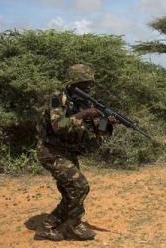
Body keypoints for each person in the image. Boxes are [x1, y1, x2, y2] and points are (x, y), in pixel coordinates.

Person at [35, 64, 114, 241]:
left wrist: (106, 123)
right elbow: (58, 126)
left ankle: (47, 227)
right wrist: (84, 114)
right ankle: (74, 226)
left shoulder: (85, 102)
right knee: (80, 186)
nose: (88, 88)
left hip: (68, 152)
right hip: (51, 151)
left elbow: (98, 132)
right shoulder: (56, 98)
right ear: (72, 84)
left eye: (89, 84)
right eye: (83, 84)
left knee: (71, 193)